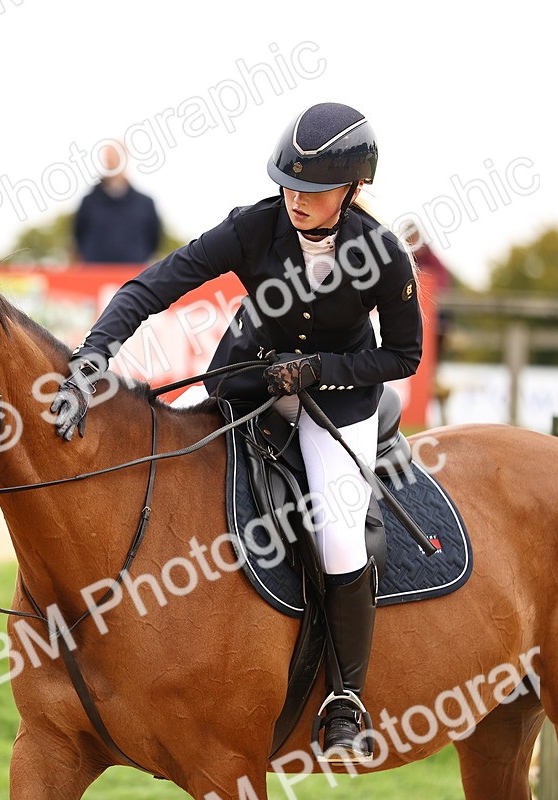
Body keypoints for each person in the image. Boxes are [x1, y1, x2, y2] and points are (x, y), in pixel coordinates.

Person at [50, 103, 422, 765]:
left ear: (354, 189)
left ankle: (346, 699)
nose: (296, 198)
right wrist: (94, 351)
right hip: (246, 383)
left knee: (337, 532)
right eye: (288, 183)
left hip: (338, 403)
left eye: (313, 189)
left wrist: (318, 369)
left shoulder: (384, 253)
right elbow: (155, 284)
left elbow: (404, 357)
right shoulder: (253, 228)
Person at [72, 143, 161, 264]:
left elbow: (154, 239)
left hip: (133, 275)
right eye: (108, 157)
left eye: (115, 157)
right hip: (95, 274)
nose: (111, 161)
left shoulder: (145, 204)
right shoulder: (89, 202)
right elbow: (79, 235)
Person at [400, 220, 454, 361]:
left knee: (435, 344)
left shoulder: (431, 260)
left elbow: (441, 284)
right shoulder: (400, 257)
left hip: (431, 312)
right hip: (408, 311)